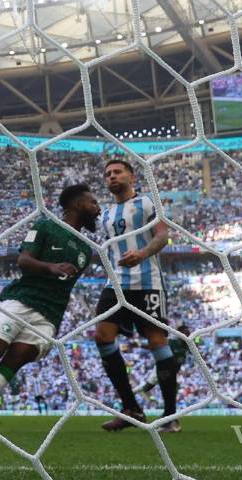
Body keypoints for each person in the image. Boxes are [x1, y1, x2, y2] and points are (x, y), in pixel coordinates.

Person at [0, 183, 100, 434]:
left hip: (50, 316)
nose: (98, 209)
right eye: (93, 203)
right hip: (23, 300)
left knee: (14, 363)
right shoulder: (46, 226)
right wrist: (52, 267)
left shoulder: (85, 249)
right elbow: (23, 260)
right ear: (77, 204)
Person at [93, 159, 178, 433]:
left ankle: (169, 415)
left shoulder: (147, 204)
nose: (112, 177)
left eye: (117, 172)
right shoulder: (105, 215)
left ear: (131, 176)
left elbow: (162, 236)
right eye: (107, 174)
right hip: (115, 285)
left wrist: (141, 254)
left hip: (147, 284)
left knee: (157, 342)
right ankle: (132, 409)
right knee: (102, 337)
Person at [134, 324, 191, 397]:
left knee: (172, 388)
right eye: (185, 332)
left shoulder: (187, 344)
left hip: (173, 369)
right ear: (179, 332)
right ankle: (133, 392)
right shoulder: (171, 342)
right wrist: (140, 344)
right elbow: (155, 344)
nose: (187, 334)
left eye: (188, 332)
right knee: (149, 386)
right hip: (164, 366)